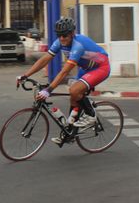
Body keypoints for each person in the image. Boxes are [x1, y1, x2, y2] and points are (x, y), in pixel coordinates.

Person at [17, 17, 110, 146]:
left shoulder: (78, 46)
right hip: (86, 68)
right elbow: (45, 59)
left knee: (74, 90)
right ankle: (70, 133)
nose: (62, 38)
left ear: (72, 34)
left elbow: (64, 72)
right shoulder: (60, 42)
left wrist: (49, 90)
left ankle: (91, 115)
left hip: (101, 68)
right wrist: (25, 75)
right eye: (59, 35)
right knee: (74, 96)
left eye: (65, 35)